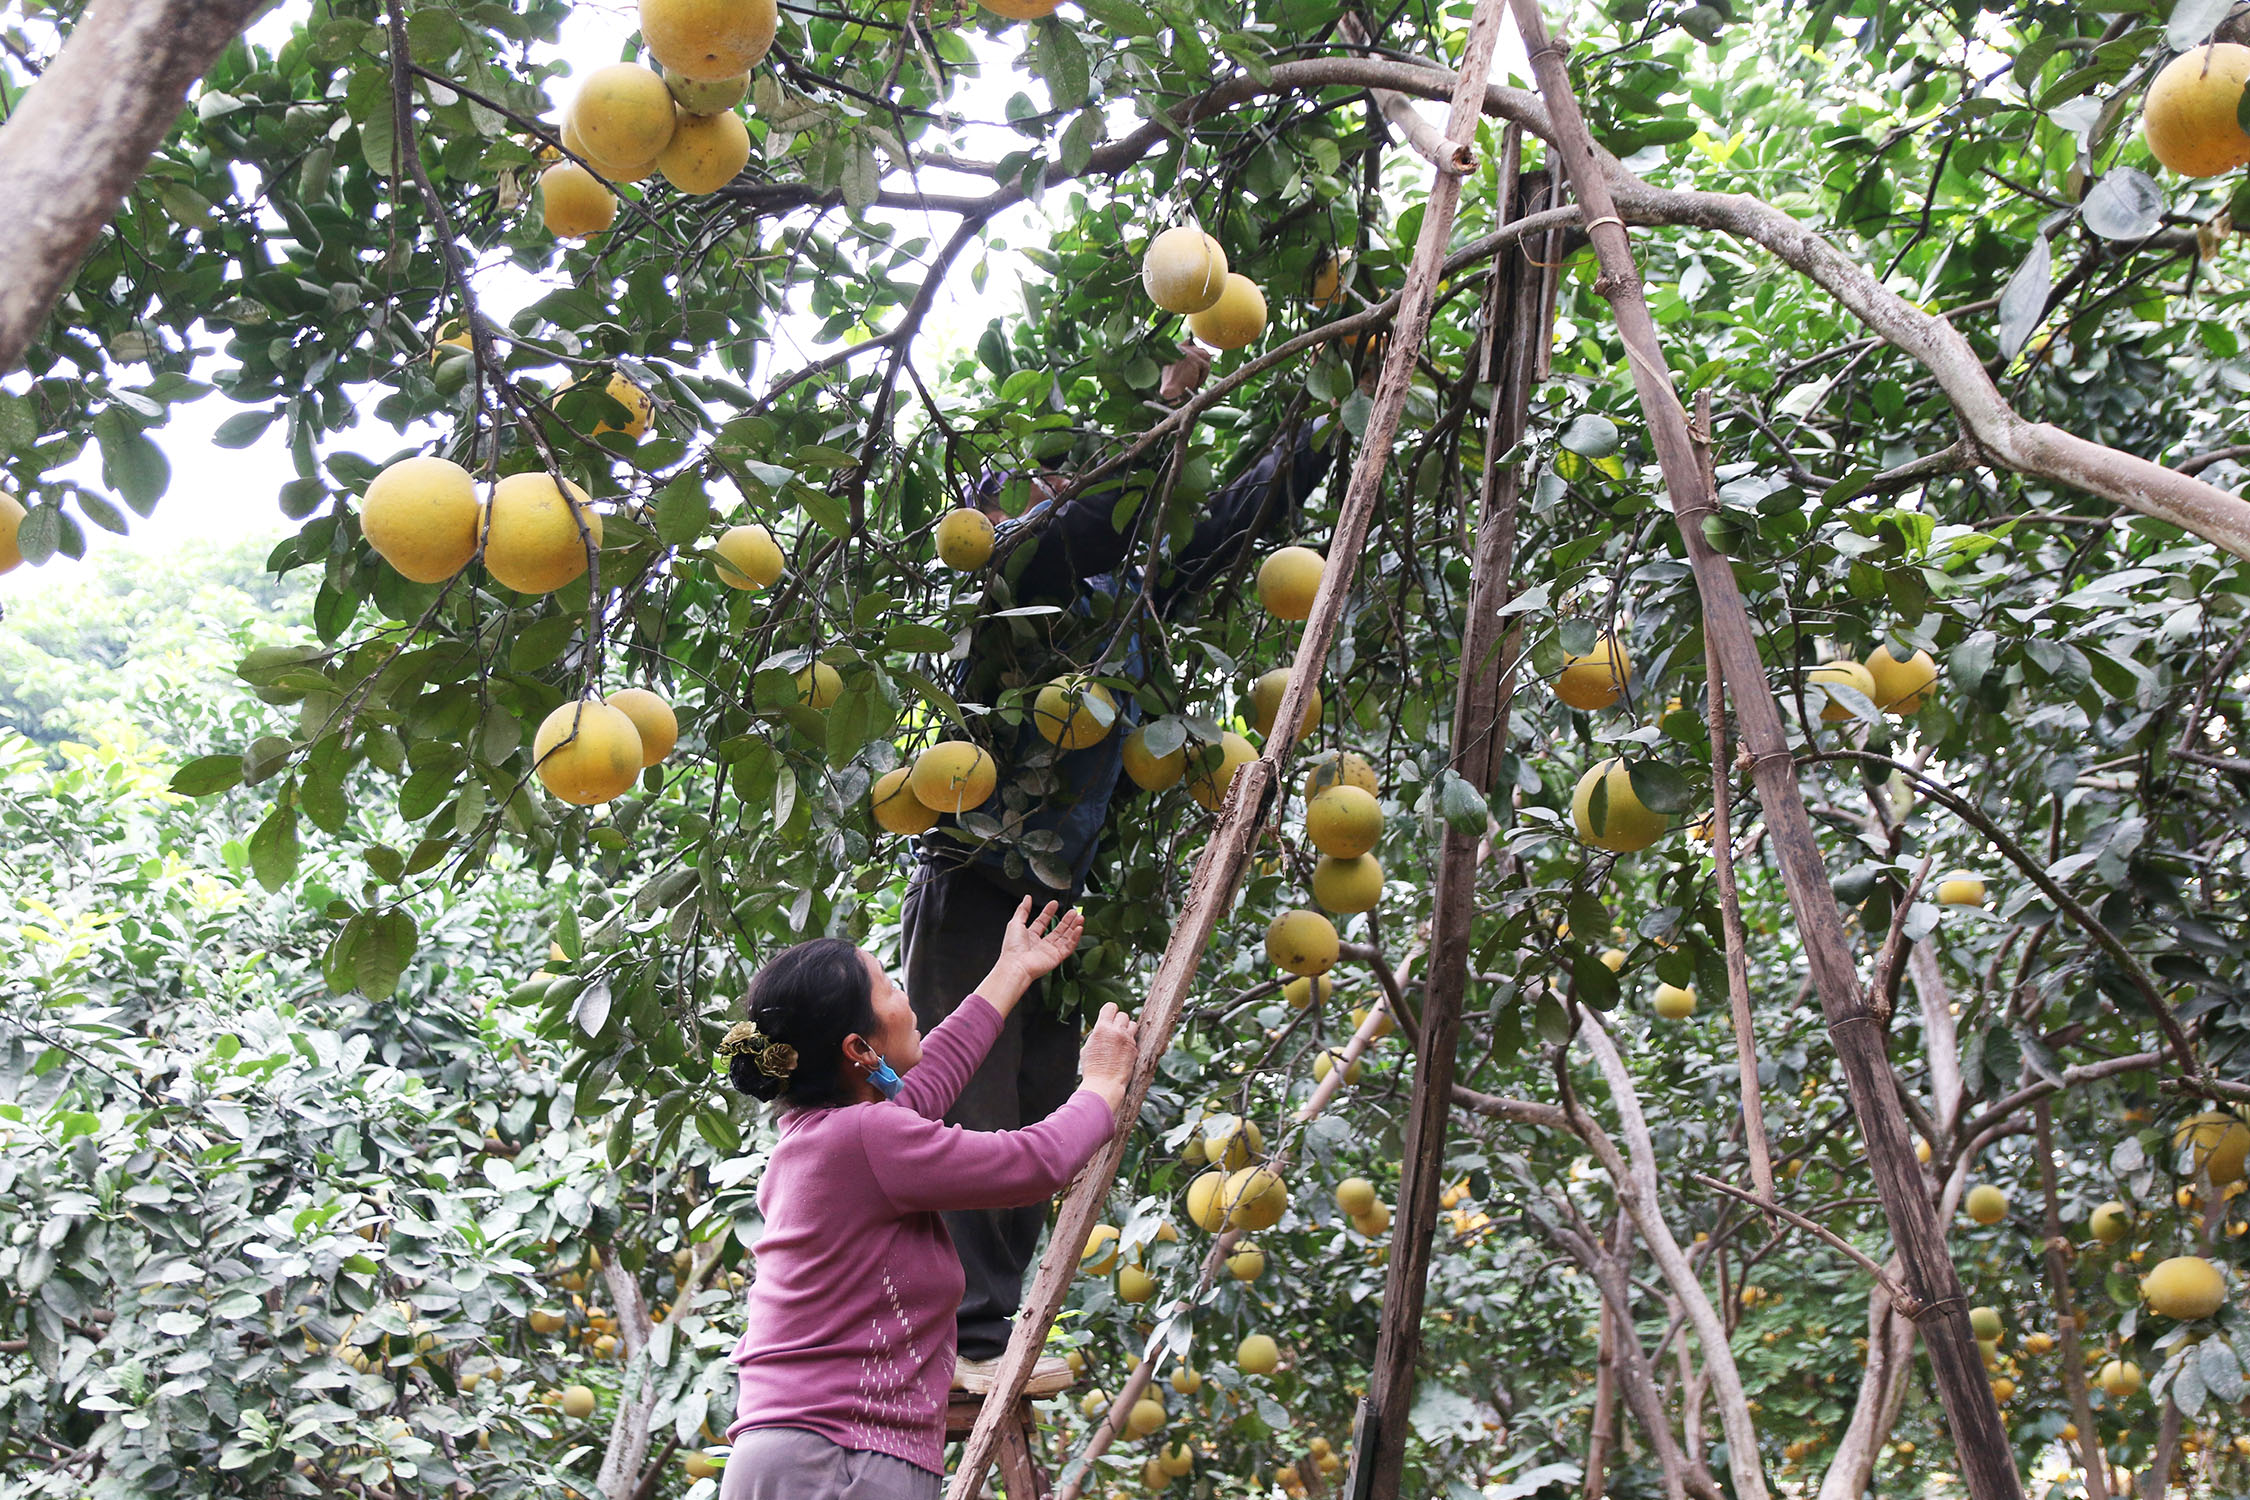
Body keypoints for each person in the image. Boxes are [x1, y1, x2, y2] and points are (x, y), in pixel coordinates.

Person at [903, 345, 1338, 1375]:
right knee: (974, 1106)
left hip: (1056, 895)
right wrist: (1168, 404)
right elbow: (1107, 513)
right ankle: (959, 1337)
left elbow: (1231, 522)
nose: (1060, 489)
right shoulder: (1022, 571)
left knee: (1051, 1100)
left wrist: (1334, 412)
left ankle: (985, 1334)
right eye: (1044, 479)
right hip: (973, 883)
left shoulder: (1119, 596)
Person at [719, 899, 1140, 1500]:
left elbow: (933, 1074)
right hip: (839, 1458)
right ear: (859, 1049)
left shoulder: (822, 1138)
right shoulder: (865, 1138)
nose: (906, 1001)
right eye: (889, 988)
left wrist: (1013, 970)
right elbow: (1033, 1164)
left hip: (805, 1453)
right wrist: (1101, 1083)